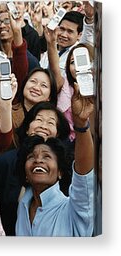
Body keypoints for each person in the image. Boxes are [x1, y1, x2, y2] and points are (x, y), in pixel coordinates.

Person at [14, 86, 95, 236]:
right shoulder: (23, 206)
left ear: (60, 172)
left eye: (47, 156)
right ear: (25, 172)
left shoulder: (74, 209)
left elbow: (84, 176)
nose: (38, 160)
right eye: (31, 156)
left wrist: (81, 125)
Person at [0, 101, 71, 236]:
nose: (43, 125)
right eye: (38, 120)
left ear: (57, 134)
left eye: (50, 122)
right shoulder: (3, 163)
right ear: (27, 127)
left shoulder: (64, 168)